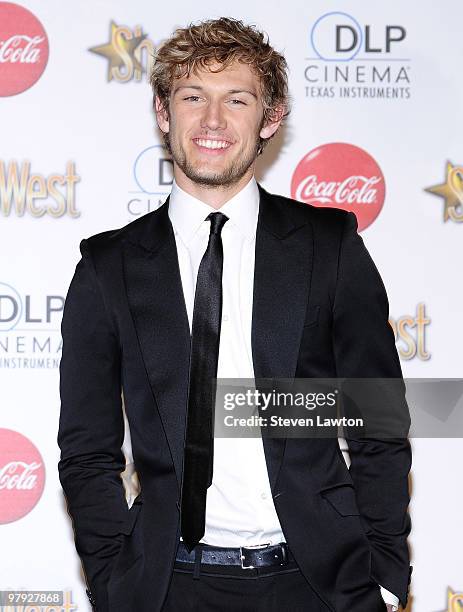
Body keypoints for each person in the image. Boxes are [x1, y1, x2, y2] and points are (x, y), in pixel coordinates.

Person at [57, 17, 412, 612]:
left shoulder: (329, 245)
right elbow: (87, 450)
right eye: (193, 97)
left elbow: (376, 418)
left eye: (236, 99)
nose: (213, 121)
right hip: (166, 588)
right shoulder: (107, 266)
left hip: (319, 585)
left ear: (270, 119)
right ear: (164, 113)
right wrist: (114, 580)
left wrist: (381, 570)